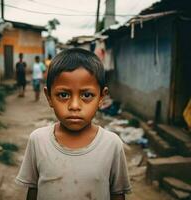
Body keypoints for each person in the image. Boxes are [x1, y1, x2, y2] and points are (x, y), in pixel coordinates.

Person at [15, 48, 131, 200]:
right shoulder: (38, 141)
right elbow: (33, 190)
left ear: (101, 98)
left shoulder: (112, 144)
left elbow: (117, 194)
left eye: (86, 95)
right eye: (63, 95)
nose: (74, 106)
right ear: (49, 97)